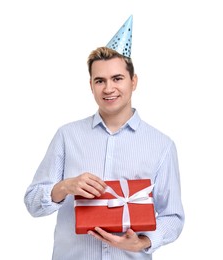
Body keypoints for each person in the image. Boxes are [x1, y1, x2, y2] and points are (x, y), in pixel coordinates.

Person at [24, 15, 184, 260]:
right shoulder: (67, 136)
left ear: (134, 81)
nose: (108, 89)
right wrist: (65, 187)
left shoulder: (161, 145)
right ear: (91, 85)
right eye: (100, 80)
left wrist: (143, 241)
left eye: (117, 78)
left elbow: (173, 216)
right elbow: (33, 203)